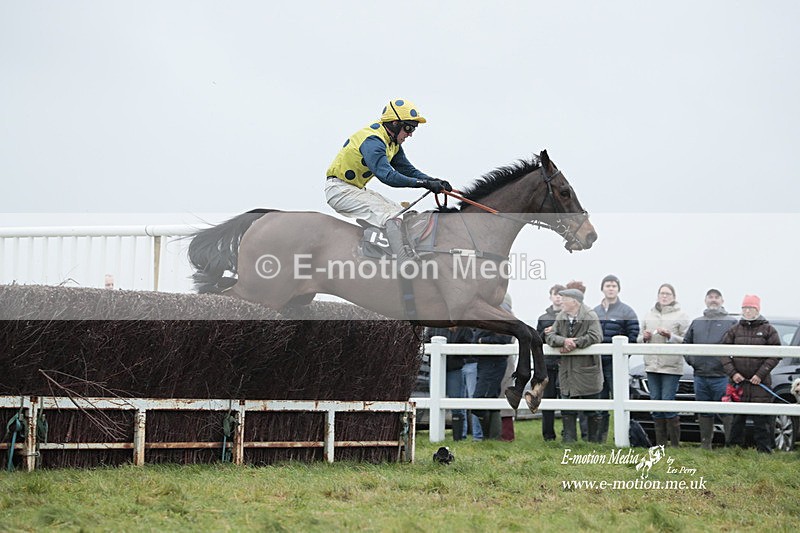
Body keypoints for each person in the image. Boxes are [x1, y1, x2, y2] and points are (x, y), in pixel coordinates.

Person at [325, 99, 452, 263]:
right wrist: (424, 184)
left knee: (403, 213)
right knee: (392, 216)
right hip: (339, 191)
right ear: (394, 123)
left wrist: (434, 181)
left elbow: (408, 170)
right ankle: (403, 261)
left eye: (413, 128)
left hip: (354, 189)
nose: (411, 133)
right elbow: (388, 176)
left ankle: (402, 250)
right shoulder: (373, 141)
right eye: (408, 128)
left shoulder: (391, 142)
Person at [720, 294, 780, 453]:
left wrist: (760, 374)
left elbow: (776, 354)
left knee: (762, 421)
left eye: (750, 308)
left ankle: (765, 452)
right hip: (739, 383)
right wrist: (733, 373)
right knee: (737, 420)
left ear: (757, 309)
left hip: (759, 384)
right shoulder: (734, 330)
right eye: (744, 308)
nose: (747, 311)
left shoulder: (768, 330)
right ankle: (733, 451)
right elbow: (723, 353)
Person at [546, 288, 603, 443]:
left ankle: (593, 443)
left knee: (592, 409)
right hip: (567, 371)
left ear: (574, 302)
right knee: (567, 408)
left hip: (587, 370)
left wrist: (575, 343)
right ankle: (569, 442)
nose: (561, 302)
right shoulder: (561, 316)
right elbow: (550, 335)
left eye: (564, 299)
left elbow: (596, 335)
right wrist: (563, 341)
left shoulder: (590, 315)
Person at [683, 288, 737, 449]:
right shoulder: (697, 322)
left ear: (722, 300)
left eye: (716, 297)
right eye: (710, 297)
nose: (713, 300)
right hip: (700, 375)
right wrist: (693, 361)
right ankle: (705, 444)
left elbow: (736, 347)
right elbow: (686, 344)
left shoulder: (731, 322)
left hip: (722, 376)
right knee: (703, 411)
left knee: (726, 411)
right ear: (705, 300)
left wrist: (728, 367)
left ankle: (730, 444)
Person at [638, 283, 689, 447]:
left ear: (674, 297)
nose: (664, 296)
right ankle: (661, 444)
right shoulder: (648, 314)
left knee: (667, 403)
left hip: (671, 366)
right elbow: (638, 339)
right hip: (651, 365)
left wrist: (670, 335)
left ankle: (674, 444)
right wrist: (644, 337)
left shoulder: (681, 315)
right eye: (662, 293)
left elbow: (687, 340)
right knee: (655, 404)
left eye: (667, 294)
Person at [593, 274, 639, 443]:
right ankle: (600, 439)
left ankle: (623, 437)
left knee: (621, 401)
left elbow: (633, 334)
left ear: (618, 289)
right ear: (602, 289)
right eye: (607, 285)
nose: (610, 288)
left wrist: (624, 358)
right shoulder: (595, 311)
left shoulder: (627, 311)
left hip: (616, 365)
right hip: (598, 364)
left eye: (613, 286)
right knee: (601, 402)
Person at [473, 293, 515, 440]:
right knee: (488, 398)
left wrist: (481, 341)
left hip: (495, 362)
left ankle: (492, 436)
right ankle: (491, 437)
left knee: (483, 399)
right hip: (485, 362)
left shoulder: (501, 316)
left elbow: (503, 338)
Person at [423, 326, 472, 441]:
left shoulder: (463, 326)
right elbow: (426, 343)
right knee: (434, 401)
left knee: (457, 405)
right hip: (436, 368)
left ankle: (459, 437)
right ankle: (436, 435)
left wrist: (451, 354)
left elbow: (467, 347)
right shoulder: (433, 325)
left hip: (454, 369)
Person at [536, 283, 566, 441]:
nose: (558, 297)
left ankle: (567, 433)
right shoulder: (543, 318)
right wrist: (543, 332)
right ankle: (548, 435)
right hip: (547, 365)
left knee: (566, 401)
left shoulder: (569, 317)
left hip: (565, 364)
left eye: (561, 295)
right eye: (556, 294)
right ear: (551, 297)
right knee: (547, 401)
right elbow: (536, 341)